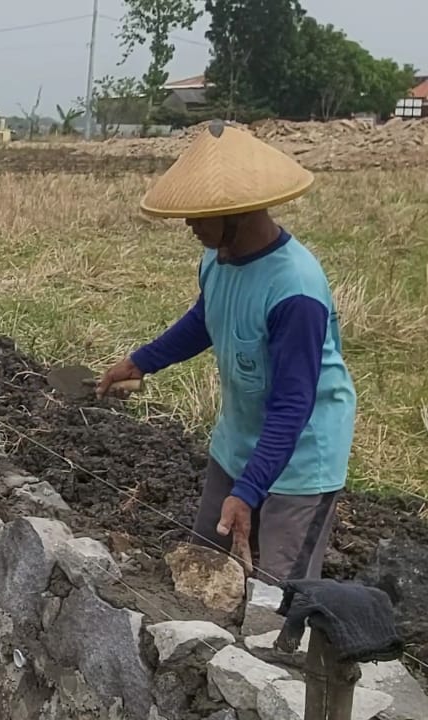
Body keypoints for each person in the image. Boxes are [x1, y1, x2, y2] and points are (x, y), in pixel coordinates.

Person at [96, 122, 356, 583]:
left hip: (300, 463)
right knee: (203, 572)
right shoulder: (218, 259)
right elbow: (207, 319)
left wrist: (251, 490)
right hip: (237, 442)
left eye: (201, 215)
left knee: (276, 601)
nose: (190, 225)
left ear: (239, 212)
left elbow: (293, 405)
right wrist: (142, 361)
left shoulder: (295, 291)